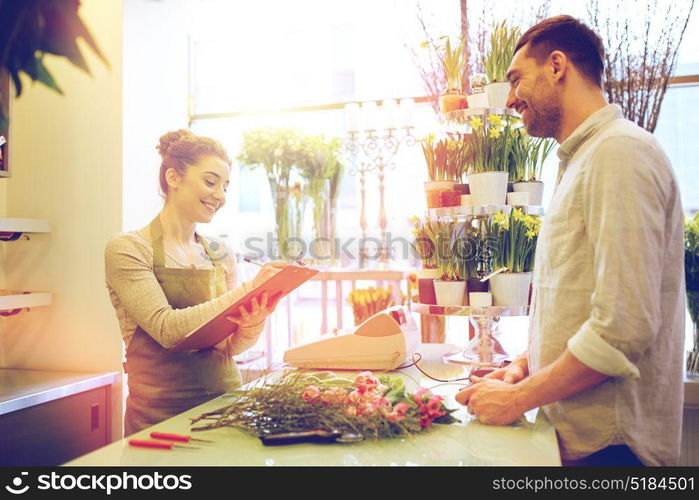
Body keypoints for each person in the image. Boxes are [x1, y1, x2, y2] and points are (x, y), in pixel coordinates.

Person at [455, 16, 685, 466]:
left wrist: (518, 397)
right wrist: (523, 364)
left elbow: (623, 329)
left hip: (614, 451)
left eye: (517, 79)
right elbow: (577, 304)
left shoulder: (619, 153)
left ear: (557, 66)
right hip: (584, 444)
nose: (512, 98)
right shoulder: (583, 158)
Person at [105, 129, 286, 436]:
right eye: (210, 181)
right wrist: (248, 290)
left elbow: (230, 347)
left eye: (225, 186)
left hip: (227, 410)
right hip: (157, 420)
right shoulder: (129, 248)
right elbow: (168, 330)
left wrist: (252, 321)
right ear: (173, 178)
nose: (220, 195)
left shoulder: (221, 254)